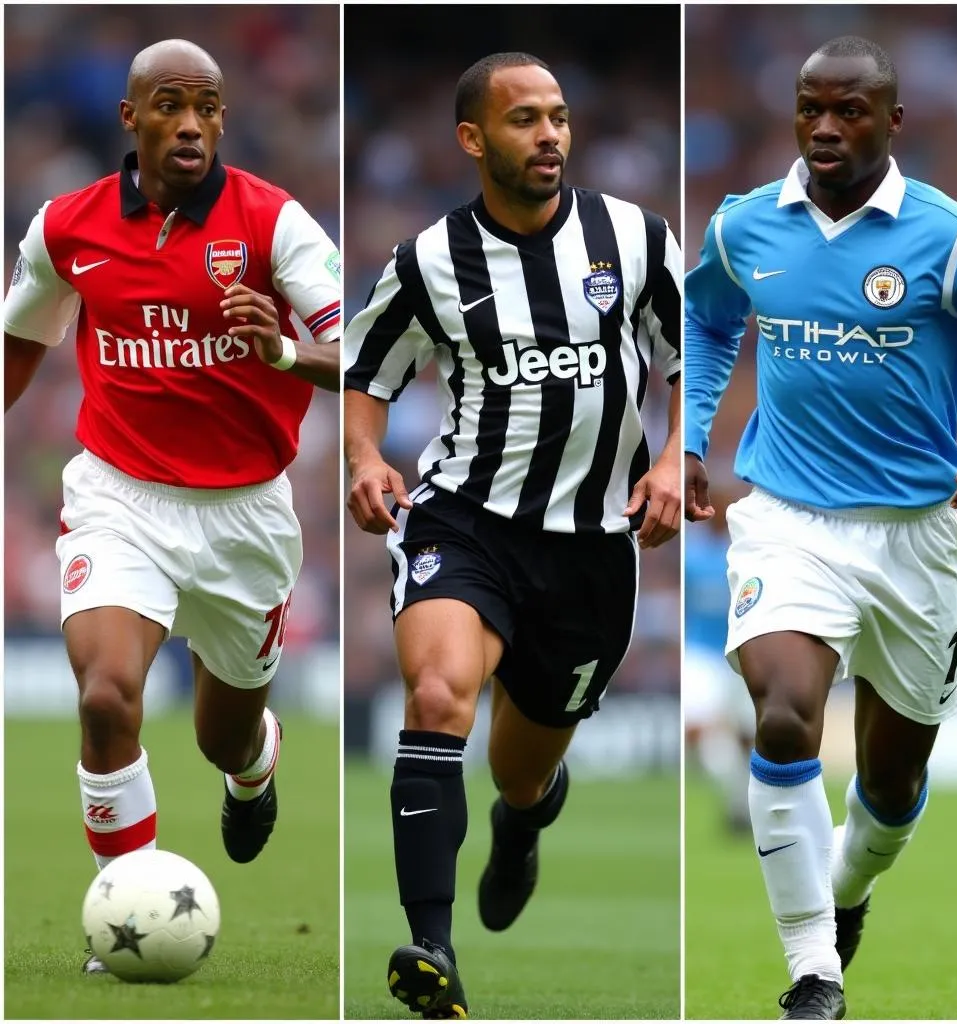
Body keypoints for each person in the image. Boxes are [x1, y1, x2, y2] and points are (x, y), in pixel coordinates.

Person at [684, 35, 957, 1021]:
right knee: (784, 710)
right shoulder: (747, 226)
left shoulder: (949, 237)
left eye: (850, 111)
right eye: (810, 109)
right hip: (787, 518)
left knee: (890, 776)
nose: (826, 127)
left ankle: (846, 889)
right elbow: (706, 322)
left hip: (919, 535)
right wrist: (689, 441)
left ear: (891, 121)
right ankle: (811, 971)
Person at [344, 51, 680, 1019]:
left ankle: (524, 822)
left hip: (590, 548)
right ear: (471, 139)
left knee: (520, 770)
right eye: (526, 119)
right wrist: (363, 459)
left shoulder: (631, 238)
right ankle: (431, 948)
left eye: (560, 117)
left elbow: (692, 349)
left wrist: (671, 461)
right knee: (439, 694)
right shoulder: (428, 262)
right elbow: (368, 369)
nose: (550, 136)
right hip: (467, 518)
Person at [3, 39, 341, 974]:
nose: (190, 123)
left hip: (245, 517)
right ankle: (132, 906)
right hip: (119, 498)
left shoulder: (275, 224)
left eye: (207, 107)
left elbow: (360, 356)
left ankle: (254, 762)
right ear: (131, 118)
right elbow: (20, 340)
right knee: (108, 696)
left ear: (223, 119)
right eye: (169, 105)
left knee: (220, 733)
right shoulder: (67, 228)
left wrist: (282, 351)